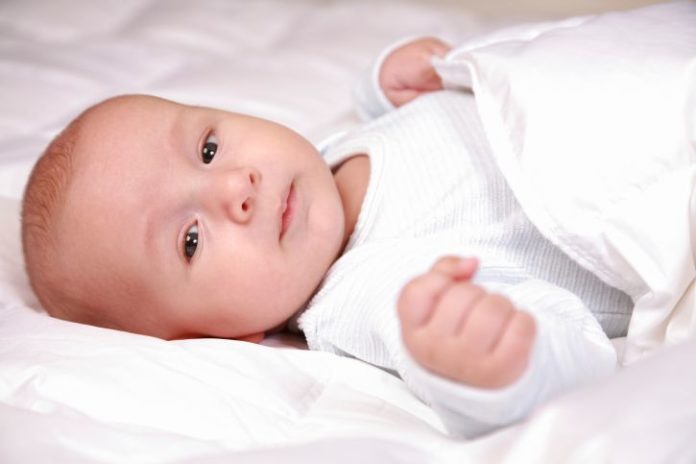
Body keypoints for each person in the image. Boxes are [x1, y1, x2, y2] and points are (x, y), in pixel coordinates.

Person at [21, 37, 633, 437]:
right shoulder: (368, 294)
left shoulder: (322, 160)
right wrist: (488, 367)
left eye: (208, 148)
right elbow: (554, 346)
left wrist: (385, 89)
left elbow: (387, 130)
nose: (237, 186)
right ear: (224, 334)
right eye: (190, 240)